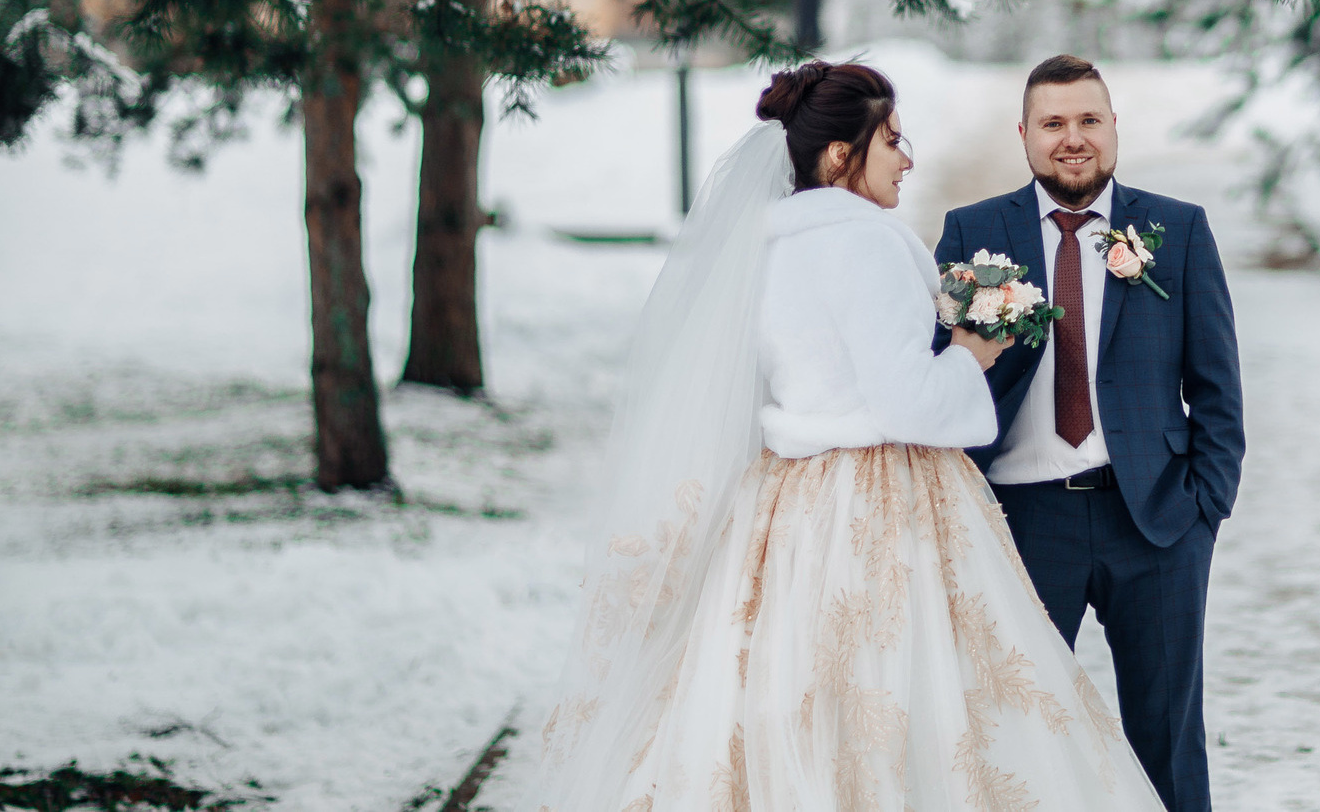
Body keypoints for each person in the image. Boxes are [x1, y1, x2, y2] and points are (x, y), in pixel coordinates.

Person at [531, 59, 1167, 812]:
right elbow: (909, 403)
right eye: (891, 140)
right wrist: (970, 354)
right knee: (915, 697)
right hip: (882, 501)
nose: (908, 158)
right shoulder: (863, 242)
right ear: (841, 155)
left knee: (797, 703)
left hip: (788, 506)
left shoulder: (763, 247)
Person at [936, 55, 1244, 812]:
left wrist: (1205, 509)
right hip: (1021, 524)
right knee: (1015, 736)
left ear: (1112, 128)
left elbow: (1217, 388)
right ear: (1025, 136)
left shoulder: (1175, 229)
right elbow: (944, 380)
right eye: (1054, 123)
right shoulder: (974, 232)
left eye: (1088, 120)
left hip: (1156, 520)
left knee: (1166, 738)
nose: (1072, 139)